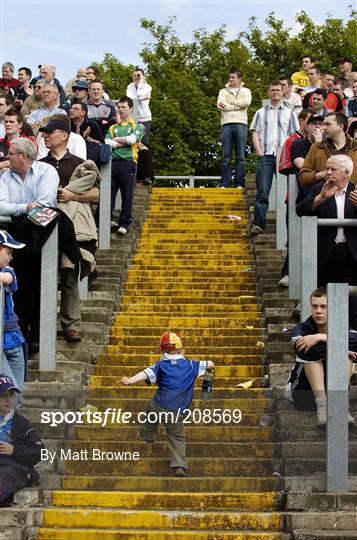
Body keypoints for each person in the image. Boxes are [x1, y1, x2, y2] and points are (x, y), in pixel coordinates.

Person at [121, 331, 215, 477]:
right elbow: (210, 364)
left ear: (162, 351)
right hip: (176, 413)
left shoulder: (161, 365)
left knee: (151, 406)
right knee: (177, 437)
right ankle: (179, 466)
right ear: (182, 349)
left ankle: (148, 433)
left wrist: (130, 380)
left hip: (158, 405)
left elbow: (145, 373)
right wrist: (209, 370)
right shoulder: (192, 365)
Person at [40, 117, 99, 342]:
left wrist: (72, 195)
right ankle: (38, 328)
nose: (46, 135)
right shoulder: (40, 164)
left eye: (50, 132)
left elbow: (95, 193)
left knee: (69, 275)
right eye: (45, 133)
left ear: (64, 136)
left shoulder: (78, 163)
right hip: (45, 225)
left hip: (71, 227)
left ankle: (71, 325)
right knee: (41, 276)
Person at [0, 138, 59, 350]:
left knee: (39, 286)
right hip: (16, 239)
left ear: (23, 157)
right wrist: (25, 206)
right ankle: (22, 334)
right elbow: (0, 206)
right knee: (20, 287)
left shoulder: (47, 172)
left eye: (11, 153)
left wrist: (16, 209)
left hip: (41, 238)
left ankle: (36, 336)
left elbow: (45, 205)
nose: (7, 157)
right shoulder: (6, 176)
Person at [296, 155, 357, 331]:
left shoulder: (355, 190)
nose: (328, 172)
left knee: (353, 306)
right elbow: (300, 210)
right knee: (323, 302)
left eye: (333, 169)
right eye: (327, 168)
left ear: (346, 173)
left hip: (351, 255)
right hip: (325, 255)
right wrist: (321, 198)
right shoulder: (318, 189)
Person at [285, 287, 357, 425]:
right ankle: (323, 406)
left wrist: (319, 337)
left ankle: (340, 405)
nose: (318, 311)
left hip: (333, 395)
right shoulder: (300, 329)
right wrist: (339, 346)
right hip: (303, 393)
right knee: (315, 354)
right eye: (315, 306)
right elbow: (304, 351)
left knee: (344, 355)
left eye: (323, 306)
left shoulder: (343, 328)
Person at [250, 80, 299, 235]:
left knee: (288, 195)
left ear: (282, 91)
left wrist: (291, 155)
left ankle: (289, 230)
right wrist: (260, 153)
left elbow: (294, 135)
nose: (276, 92)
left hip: (284, 157)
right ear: (268, 92)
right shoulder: (260, 112)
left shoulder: (290, 112)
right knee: (263, 192)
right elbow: (255, 133)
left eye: (278, 90)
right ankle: (258, 225)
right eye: (273, 90)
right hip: (267, 156)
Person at [0, 374, 44, 502]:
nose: (9, 400)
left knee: (5, 474)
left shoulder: (21, 423)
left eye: (12, 395)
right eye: (3, 396)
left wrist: (13, 450)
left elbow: (39, 451)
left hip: (14, 468)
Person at [105, 96, 143, 235]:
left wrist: (115, 141)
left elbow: (133, 139)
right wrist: (122, 142)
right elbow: (107, 142)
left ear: (131, 109)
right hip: (113, 164)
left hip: (128, 163)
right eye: (119, 107)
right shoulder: (113, 127)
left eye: (123, 107)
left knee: (127, 195)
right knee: (109, 194)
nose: (120, 109)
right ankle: (105, 220)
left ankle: (125, 223)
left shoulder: (136, 126)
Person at [0, 231, 26, 403]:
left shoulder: (8, 270)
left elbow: (7, 278)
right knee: (6, 390)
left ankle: (12, 427)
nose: (10, 257)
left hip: (14, 338)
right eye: (7, 252)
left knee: (17, 394)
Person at [299, 112, 357, 187]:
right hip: (324, 196)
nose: (324, 128)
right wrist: (321, 174)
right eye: (324, 124)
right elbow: (302, 179)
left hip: (351, 196)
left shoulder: (355, 147)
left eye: (328, 124)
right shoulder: (316, 148)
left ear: (340, 127)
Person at [217, 69, 252, 188]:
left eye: (233, 77)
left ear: (239, 79)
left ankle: (239, 183)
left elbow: (246, 103)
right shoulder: (223, 91)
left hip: (241, 123)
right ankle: (224, 183)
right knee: (226, 155)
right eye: (230, 77)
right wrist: (237, 106)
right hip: (226, 123)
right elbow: (220, 105)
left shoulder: (246, 90)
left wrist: (230, 103)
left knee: (240, 156)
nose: (230, 79)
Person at [0, 109, 35, 174]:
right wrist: (3, 164)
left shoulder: (30, 142)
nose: (7, 124)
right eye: (6, 122)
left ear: (20, 125)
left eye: (11, 122)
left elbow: (35, 165)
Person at [126, 68, 152, 145]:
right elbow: (130, 99)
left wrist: (140, 83)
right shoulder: (130, 86)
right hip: (133, 117)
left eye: (138, 75)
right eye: (134, 75)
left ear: (143, 76)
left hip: (145, 118)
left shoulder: (148, 87)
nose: (136, 77)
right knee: (133, 141)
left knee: (143, 142)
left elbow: (140, 94)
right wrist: (140, 98)